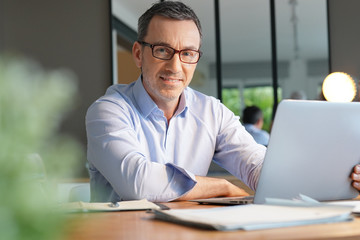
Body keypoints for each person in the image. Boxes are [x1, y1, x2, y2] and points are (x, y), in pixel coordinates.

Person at [86, 1, 360, 203]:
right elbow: (139, 184)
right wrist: (222, 187)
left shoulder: (212, 111)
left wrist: (338, 177)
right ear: (138, 54)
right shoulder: (107, 110)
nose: (175, 66)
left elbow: (259, 166)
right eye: (162, 50)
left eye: (188, 53)